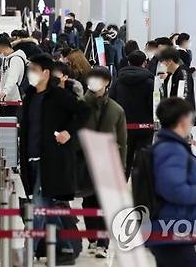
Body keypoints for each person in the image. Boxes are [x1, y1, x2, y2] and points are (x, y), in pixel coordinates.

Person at [19, 53, 87, 265]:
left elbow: (83, 113)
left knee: (38, 206)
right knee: (47, 206)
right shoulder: (30, 95)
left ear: (46, 73)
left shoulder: (59, 95)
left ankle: (27, 251)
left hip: (52, 159)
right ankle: (66, 248)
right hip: (31, 157)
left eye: (34, 70)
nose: (30, 74)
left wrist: (69, 132)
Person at [147, 97, 196, 267]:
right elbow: (174, 189)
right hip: (172, 231)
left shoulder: (168, 146)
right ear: (182, 120)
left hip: (173, 230)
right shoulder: (172, 150)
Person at [79, 67, 126, 259]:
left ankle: (103, 243)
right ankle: (92, 237)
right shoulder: (80, 105)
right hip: (85, 160)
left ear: (107, 82)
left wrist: (121, 168)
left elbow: (122, 141)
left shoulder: (116, 109)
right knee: (88, 200)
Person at [109, 51, 155, 179]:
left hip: (124, 127)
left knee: (124, 161)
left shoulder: (118, 81)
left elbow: (111, 102)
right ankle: (141, 193)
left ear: (128, 62)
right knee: (143, 162)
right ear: (144, 63)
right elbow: (153, 105)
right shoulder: (150, 82)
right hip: (145, 127)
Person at [0, 37, 27, 116]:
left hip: (14, 99)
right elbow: (8, 76)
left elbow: (13, 78)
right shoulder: (6, 59)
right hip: (6, 98)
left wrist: (4, 92)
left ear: (3, 47)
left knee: (11, 124)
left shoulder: (15, 60)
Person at [158, 47, 196, 114]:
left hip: (181, 117)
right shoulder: (170, 75)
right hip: (170, 115)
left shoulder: (183, 74)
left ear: (169, 61)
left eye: (162, 62)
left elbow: (184, 97)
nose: (161, 65)